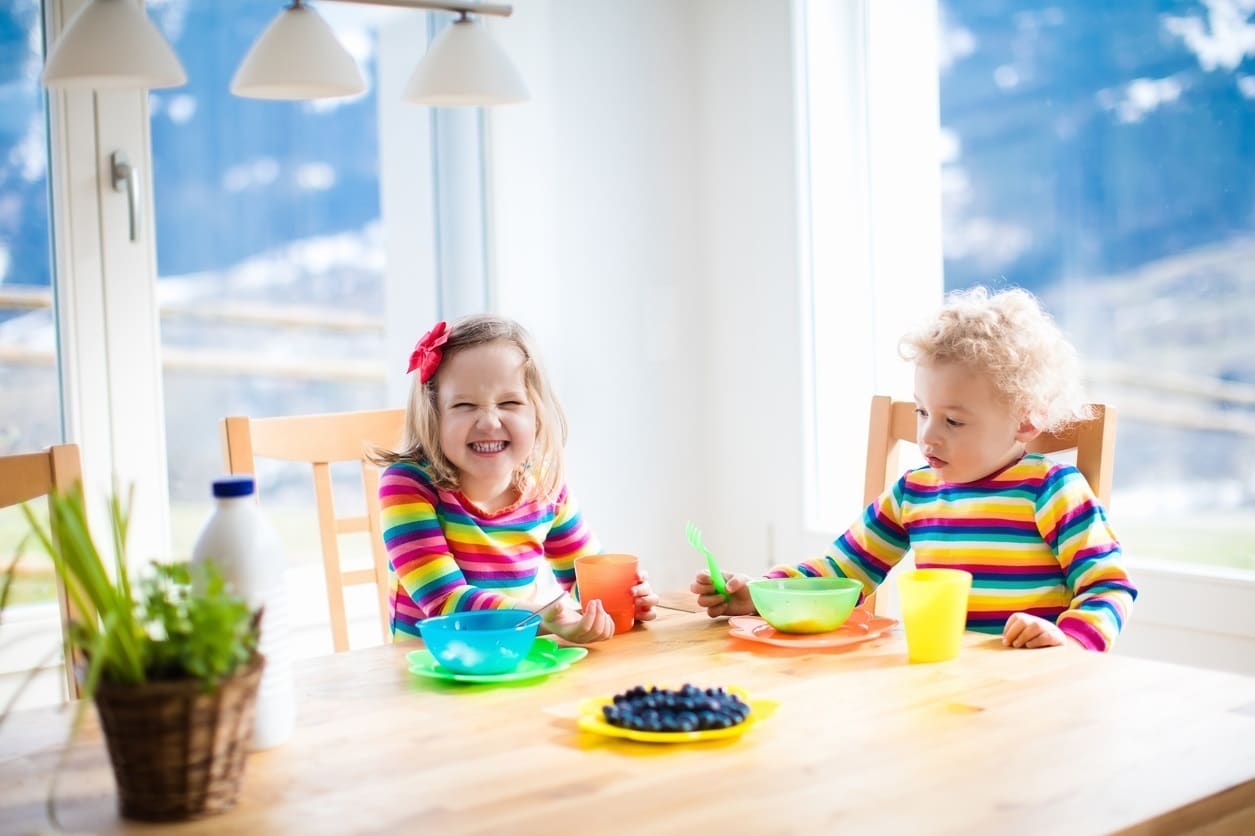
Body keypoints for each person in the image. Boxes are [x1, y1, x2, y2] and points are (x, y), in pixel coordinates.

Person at [692, 286, 1137, 651]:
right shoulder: (915, 492)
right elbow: (841, 571)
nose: (928, 437)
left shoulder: (1051, 490)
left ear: (1026, 419)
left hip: (1028, 692)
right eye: (923, 412)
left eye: (953, 421)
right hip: (935, 684)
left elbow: (1109, 587)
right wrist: (760, 595)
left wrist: (1070, 641)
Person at [376, 314, 658, 644]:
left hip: (519, 667)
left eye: (510, 402)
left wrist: (619, 600)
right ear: (432, 416)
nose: (490, 422)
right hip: (431, 674)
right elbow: (445, 604)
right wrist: (544, 618)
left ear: (536, 413)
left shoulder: (544, 488)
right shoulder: (407, 486)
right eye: (465, 405)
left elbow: (587, 582)